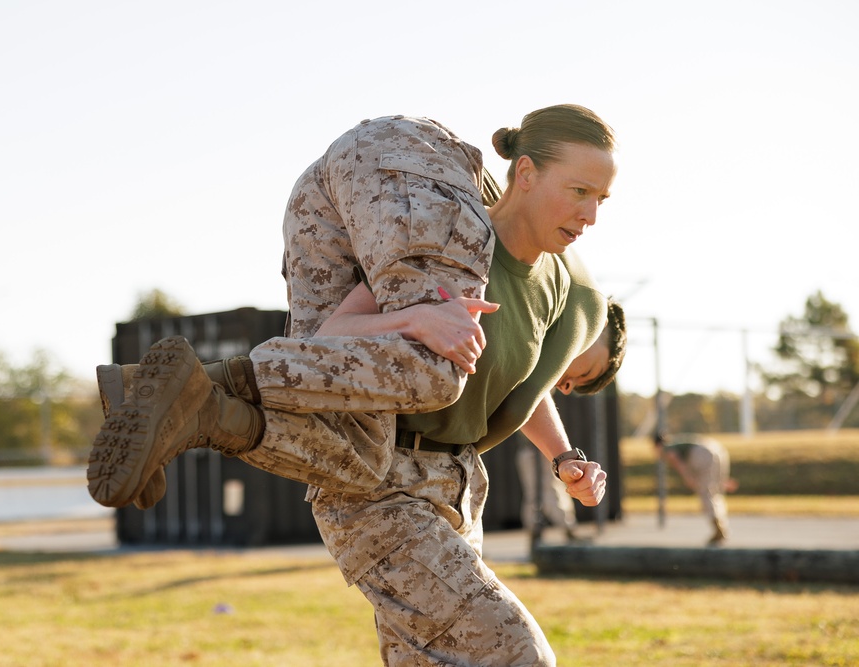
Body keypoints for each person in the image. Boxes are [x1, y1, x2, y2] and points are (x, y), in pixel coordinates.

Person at [89, 106, 622, 665]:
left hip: (457, 489)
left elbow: (521, 391)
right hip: (376, 489)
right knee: (517, 653)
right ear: (527, 174)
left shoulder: (555, 284)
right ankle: (194, 399)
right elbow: (332, 334)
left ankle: (160, 400)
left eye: (601, 200)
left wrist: (565, 459)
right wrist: (412, 317)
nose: (589, 215)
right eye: (578, 190)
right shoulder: (450, 246)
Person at [654, 432, 738, 546]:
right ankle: (723, 526)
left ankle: (719, 529)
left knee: (706, 493)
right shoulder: (678, 442)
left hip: (702, 454)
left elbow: (675, 459)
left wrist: (687, 477)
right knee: (716, 491)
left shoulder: (666, 449)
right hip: (717, 448)